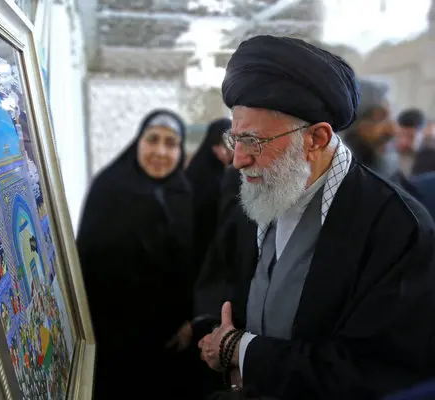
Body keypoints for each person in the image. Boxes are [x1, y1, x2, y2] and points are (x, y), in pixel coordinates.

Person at [195, 35, 435, 400]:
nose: (238, 159)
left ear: (316, 139)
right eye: (235, 139)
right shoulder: (257, 188)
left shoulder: (397, 228)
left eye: (254, 141)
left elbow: (377, 371)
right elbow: (224, 280)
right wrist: (212, 329)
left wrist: (242, 351)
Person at [76, 109, 197, 399]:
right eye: (152, 139)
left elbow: (188, 265)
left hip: (169, 337)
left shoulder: (181, 192)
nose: (160, 151)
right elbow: (89, 262)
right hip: (113, 333)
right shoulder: (109, 190)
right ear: (137, 143)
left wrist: (187, 319)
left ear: (180, 151)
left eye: (171, 143)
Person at [186, 118, 233, 270]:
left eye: (230, 144)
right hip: (199, 243)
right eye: (220, 144)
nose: (225, 150)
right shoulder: (199, 171)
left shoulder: (237, 170)